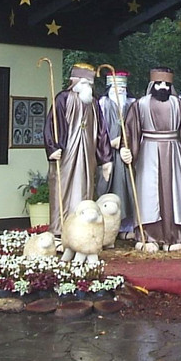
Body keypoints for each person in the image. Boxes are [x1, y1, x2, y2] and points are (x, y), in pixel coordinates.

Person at [119, 67, 181, 252]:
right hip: (148, 152)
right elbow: (130, 131)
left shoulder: (178, 104)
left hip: (174, 152)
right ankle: (147, 235)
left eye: (167, 83)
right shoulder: (140, 105)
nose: (163, 87)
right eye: (159, 83)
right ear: (152, 84)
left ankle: (174, 236)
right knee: (148, 193)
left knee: (174, 192)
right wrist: (126, 150)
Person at [44, 63, 113, 236]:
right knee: (63, 188)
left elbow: (102, 132)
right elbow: (52, 125)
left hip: (87, 154)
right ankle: (60, 230)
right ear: (74, 81)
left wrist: (105, 159)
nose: (87, 86)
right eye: (83, 82)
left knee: (86, 188)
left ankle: (82, 230)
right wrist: (52, 147)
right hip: (67, 153)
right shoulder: (62, 99)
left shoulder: (93, 103)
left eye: (89, 83)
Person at [95, 70, 135, 237]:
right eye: (116, 87)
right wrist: (111, 143)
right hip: (108, 154)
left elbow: (136, 129)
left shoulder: (133, 104)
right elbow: (98, 130)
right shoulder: (103, 104)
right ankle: (109, 228)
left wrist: (129, 144)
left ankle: (127, 227)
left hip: (127, 154)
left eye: (123, 87)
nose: (120, 90)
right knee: (111, 188)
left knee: (129, 191)